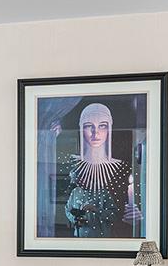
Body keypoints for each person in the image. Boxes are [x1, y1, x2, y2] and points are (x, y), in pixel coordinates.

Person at [59, 102, 140, 238]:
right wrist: (76, 218)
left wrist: (96, 210)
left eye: (102, 126)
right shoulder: (75, 191)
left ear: (109, 128)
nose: (95, 133)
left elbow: (114, 215)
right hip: (80, 237)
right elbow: (68, 210)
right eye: (88, 126)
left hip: (102, 237)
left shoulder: (105, 191)